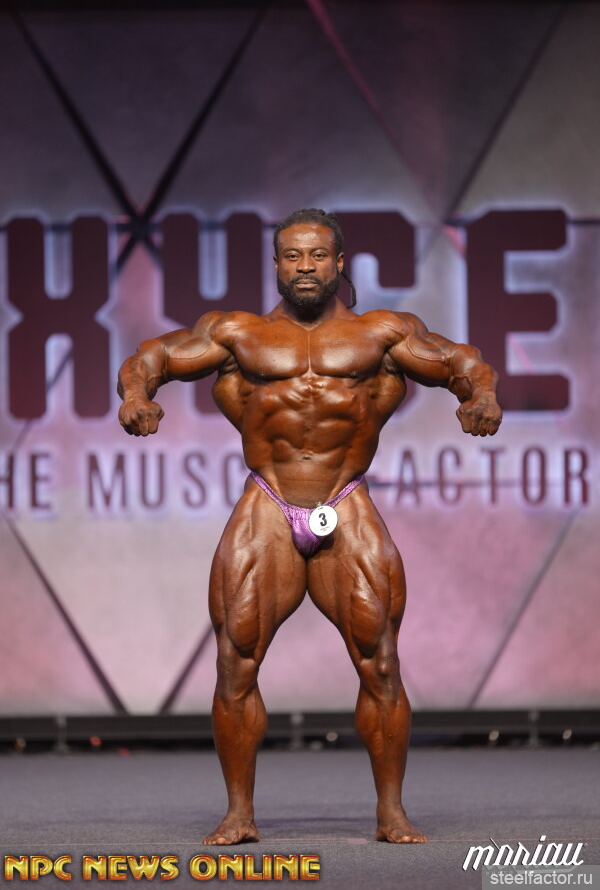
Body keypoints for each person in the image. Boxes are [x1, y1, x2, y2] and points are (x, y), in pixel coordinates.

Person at [118, 208, 502, 845]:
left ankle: (391, 813)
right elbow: (151, 357)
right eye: (293, 255)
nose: (305, 266)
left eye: (318, 255)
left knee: (380, 661)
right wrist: (137, 396)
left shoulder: (382, 333)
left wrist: (480, 396)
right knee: (236, 659)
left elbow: (463, 361)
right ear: (276, 264)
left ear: (339, 262)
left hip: (345, 499)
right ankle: (239, 814)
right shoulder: (237, 333)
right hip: (268, 503)